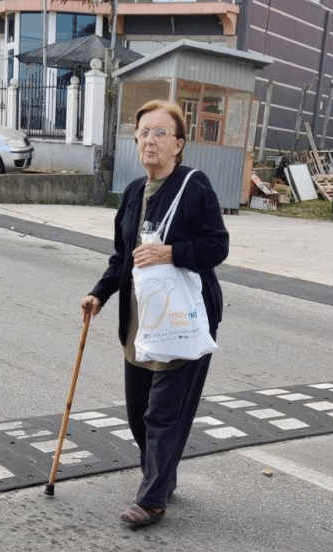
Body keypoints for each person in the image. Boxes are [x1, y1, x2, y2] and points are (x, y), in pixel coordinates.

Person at [81, 100, 229, 527]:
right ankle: (161, 475)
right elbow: (122, 258)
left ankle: (153, 498)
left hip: (182, 317)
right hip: (140, 320)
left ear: (179, 144)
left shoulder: (194, 187)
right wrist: (99, 294)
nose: (150, 140)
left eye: (161, 133)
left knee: (164, 411)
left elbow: (217, 246)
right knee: (137, 409)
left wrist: (172, 252)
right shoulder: (131, 193)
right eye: (144, 132)